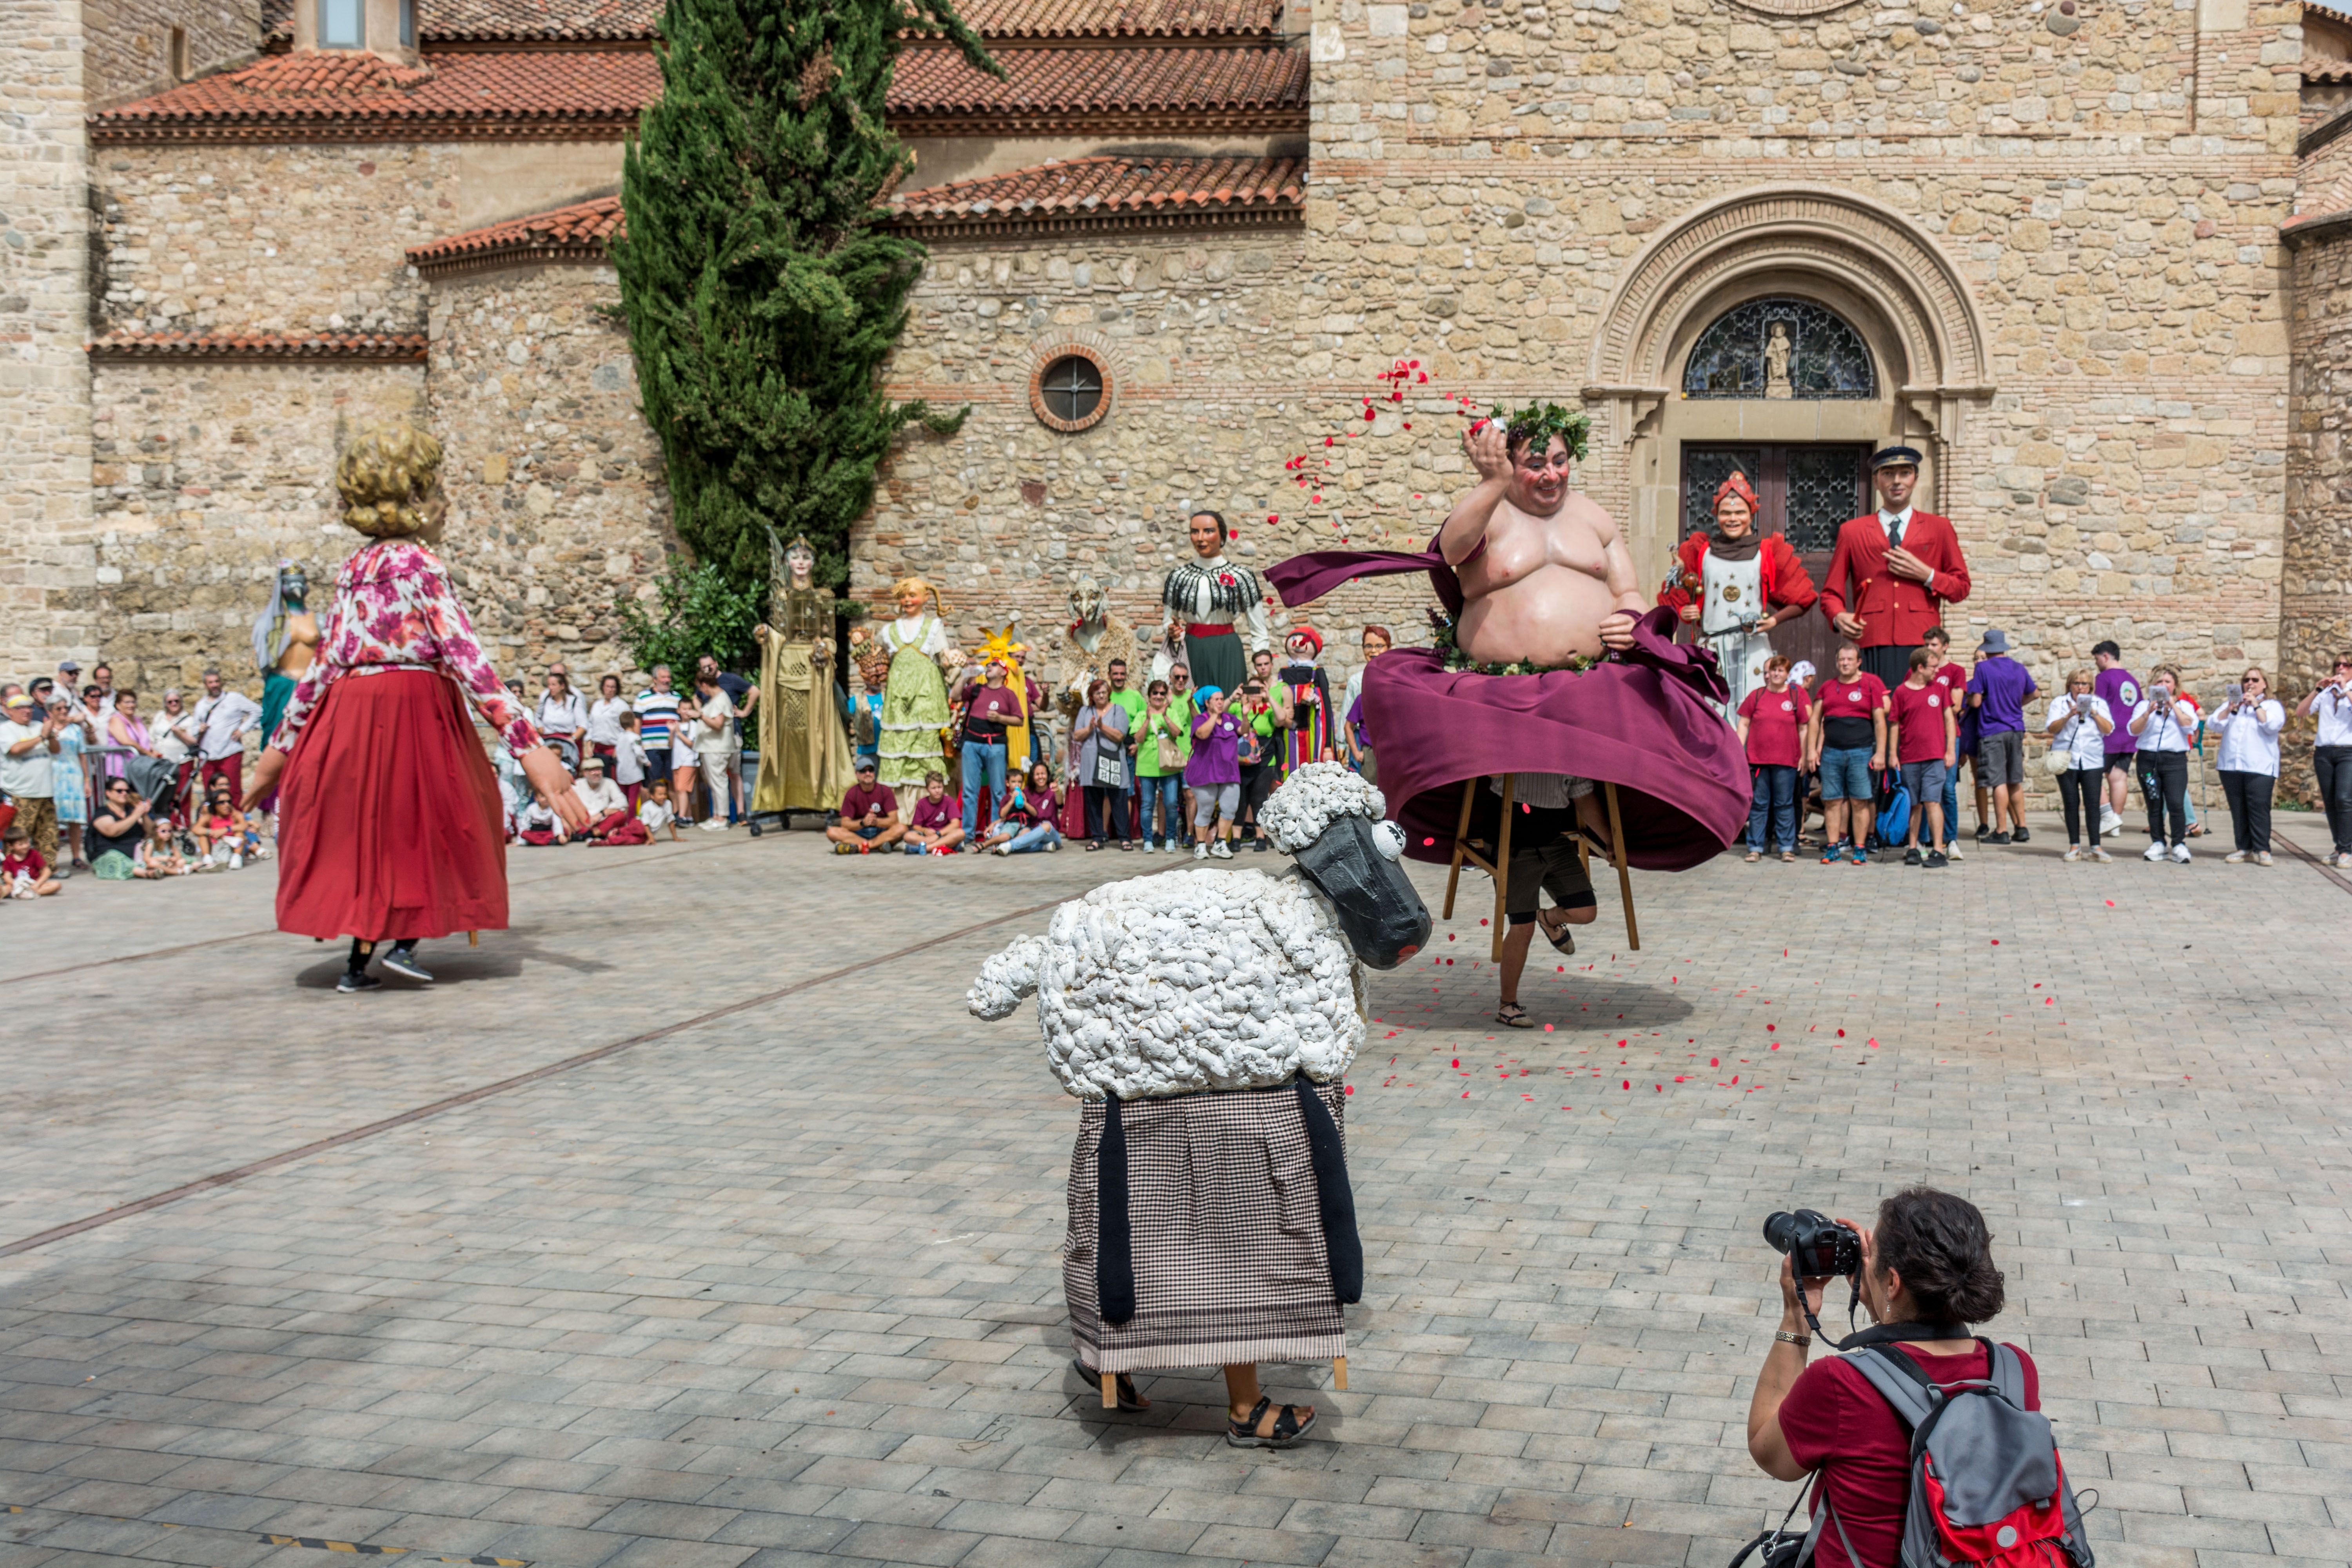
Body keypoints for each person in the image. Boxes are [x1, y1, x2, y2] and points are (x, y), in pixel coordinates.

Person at [1267, 403, 1749, 875]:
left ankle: (1630, 824)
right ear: (1510, 464)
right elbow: (1454, 548)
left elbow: (1629, 591)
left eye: (1559, 461)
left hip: (1589, 683)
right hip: (1499, 689)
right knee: (1392, 682)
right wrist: (1491, 484)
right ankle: (1520, 844)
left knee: (1662, 701)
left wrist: (1629, 616)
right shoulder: (1489, 513)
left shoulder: (1595, 518)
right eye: (1535, 464)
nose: (1551, 474)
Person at [242, 423, 587, 991]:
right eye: (435, 492)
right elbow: (467, 658)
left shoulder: (354, 569)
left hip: (349, 712)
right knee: (433, 821)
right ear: (411, 503)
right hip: (413, 707)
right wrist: (531, 749)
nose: (445, 504)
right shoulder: (423, 567)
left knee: (367, 832)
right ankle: (405, 941)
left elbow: (325, 666)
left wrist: (276, 753)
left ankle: (360, 962)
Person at [1748, 1188, 2035, 1568]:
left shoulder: (1841, 1382)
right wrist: (1883, 1297)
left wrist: (1797, 1313)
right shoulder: (2013, 1371)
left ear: (1895, 1282)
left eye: (1873, 1253)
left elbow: (1770, 1455)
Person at [1659, 470, 1818, 717]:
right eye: (1726, 513)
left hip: (1753, 647)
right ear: (1717, 516)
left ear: (1751, 514)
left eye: (1739, 513)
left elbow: (1803, 598)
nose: (1733, 519)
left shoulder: (1767, 551)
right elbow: (1677, 593)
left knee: (1754, 714)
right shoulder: (1702, 551)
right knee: (1711, 714)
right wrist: (1685, 610)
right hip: (1712, 647)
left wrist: (1775, 620)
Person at [1818, 445, 1973, 690]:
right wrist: (1838, 616)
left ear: (1916, 479)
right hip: (1871, 639)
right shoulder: (1852, 531)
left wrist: (1927, 575)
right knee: (1874, 718)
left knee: (1918, 719)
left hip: (1922, 640)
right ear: (1876, 481)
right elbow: (1830, 594)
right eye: (1888, 474)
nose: (1897, 481)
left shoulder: (1939, 527)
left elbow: (1961, 588)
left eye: (1905, 473)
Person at [752, 538, 858, 818]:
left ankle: (826, 796)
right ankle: (782, 796)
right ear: (787, 562)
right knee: (785, 734)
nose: (801, 562)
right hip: (786, 668)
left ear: (813, 562)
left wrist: (825, 649)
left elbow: (829, 635)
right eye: (795, 557)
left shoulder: (824, 596)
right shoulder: (781, 597)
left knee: (819, 731)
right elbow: (778, 634)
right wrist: (765, 634)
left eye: (806, 557)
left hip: (815, 667)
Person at [1492, 773, 1601, 1027]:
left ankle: (1548, 918)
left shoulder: (1571, 751)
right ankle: (1507, 1005)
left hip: (1553, 842)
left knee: (1585, 912)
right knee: (1522, 927)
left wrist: (1610, 842)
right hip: (1512, 844)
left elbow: (1584, 799)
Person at [858, 575, 956, 797]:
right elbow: (875, 658)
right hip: (899, 703)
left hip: (927, 701)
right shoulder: (889, 631)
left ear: (925, 597)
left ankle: (932, 804)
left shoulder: (934, 627)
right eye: (903, 596)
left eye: (912, 595)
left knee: (927, 750)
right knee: (898, 752)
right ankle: (898, 810)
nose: (907, 600)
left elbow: (945, 657)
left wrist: (955, 659)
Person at [1159, 510, 1271, 699]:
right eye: (1195, 532)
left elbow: (1258, 628)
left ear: (1222, 535)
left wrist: (1262, 662)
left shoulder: (1241, 576)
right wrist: (1172, 630)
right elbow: (1167, 621)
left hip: (1228, 650)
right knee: (1192, 705)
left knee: (1230, 704)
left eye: (1208, 531)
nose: (1201, 538)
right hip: (1191, 648)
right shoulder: (1178, 577)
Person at [1806, 642, 1886, 864]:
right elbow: (1815, 721)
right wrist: (1812, 750)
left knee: (1860, 801)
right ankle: (1833, 847)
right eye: (1842, 659)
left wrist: (1880, 753)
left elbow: (1880, 722)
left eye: (1850, 659)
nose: (1845, 663)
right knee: (1832, 801)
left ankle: (1859, 848)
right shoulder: (1827, 687)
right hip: (1831, 753)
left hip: (1861, 752)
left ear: (1859, 662)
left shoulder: (1870, 686)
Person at [1964, 628, 2037, 845]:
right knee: (2015, 780)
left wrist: (1968, 701)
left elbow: (1976, 702)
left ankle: (2002, 830)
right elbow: (2035, 693)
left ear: (1987, 648)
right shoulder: (2018, 667)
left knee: (1998, 782)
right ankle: (2022, 828)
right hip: (2016, 729)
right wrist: (2017, 705)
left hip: (1992, 730)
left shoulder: (1984, 669)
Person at [1885, 649, 1956, 868]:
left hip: (1935, 756)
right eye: (1934, 667)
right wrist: (1893, 754)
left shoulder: (1940, 690)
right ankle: (1913, 847)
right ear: (1920, 668)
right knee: (1914, 805)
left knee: (1933, 802)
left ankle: (1938, 850)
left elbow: (1949, 721)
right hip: (1909, 757)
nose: (1938, 670)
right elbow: (1895, 724)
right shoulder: (1901, 693)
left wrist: (1950, 750)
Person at [1736, 654, 1809, 863]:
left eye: (1780, 671)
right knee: (1759, 805)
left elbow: (1804, 728)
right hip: (1758, 760)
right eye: (1772, 671)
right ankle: (1755, 848)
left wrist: (1804, 755)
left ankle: (1786, 847)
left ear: (1787, 674)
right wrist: (1739, 751)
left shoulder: (1794, 697)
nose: (1775, 674)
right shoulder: (1756, 696)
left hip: (1787, 761)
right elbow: (1744, 723)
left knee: (1784, 805)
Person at [2211, 666, 2285, 866]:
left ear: (2264, 684)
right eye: (2246, 680)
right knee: (2238, 809)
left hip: (2259, 766)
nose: (2250, 683)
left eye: (2255, 680)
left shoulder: (2272, 706)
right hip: (2231, 765)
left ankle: (2262, 849)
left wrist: (2256, 706)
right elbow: (2214, 724)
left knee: (2258, 808)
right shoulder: (2233, 705)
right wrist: (2229, 709)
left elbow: (2272, 726)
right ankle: (2244, 847)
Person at [2043, 668, 2116, 862]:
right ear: (2070, 685)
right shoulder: (2059, 703)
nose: (2081, 688)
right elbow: (2052, 728)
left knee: (2093, 804)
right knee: (2071, 803)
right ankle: (2074, 845)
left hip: (2092, 760)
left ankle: (2096, 846)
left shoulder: (2100, 703)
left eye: (2085, 684)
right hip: (2068, 760)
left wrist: (2093, 712)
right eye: (2077, 683)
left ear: (2090, 686)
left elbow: (2109, 729)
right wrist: (2068, 715)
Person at [252, 562, 319, 771]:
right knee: (277, 735)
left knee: (314, 737)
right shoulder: (272, 623)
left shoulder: (320, 620)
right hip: (282, 683)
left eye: (300, 582)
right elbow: (263, 655)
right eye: (290, 583)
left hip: (310, 685)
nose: (296, 587)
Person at [2127, 664, 2197, 863]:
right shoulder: (2143, 706)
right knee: (2154, 803)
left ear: (2175, 686)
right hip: (2149, 761)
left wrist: (2173, 706)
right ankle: (2158, 842)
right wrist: (2148, 712)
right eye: (2159, 682)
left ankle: (2178, 844)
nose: (2163, 685)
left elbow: (2190, 726)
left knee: (2176, 803)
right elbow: (2133, 730)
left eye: (2168, 682)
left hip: (2175, 761)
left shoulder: (2184, 706)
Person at [952, 659, 1024, 840]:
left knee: (998, 791)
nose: (989, 667)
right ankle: (968, 834)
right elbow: (954, 695)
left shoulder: (1008, 694)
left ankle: (994, 832)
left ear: (1003, 672)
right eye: (989, 665)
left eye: (994, 665)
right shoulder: (977, 690)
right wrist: (965, 676)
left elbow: (1019, 720)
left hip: (996, 745)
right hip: (972, 744)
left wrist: (1000, 718)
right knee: (969, 791)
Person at [2299, 652, 2352, 867]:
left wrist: (2346, 689)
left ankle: (2347, 850)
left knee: (2344, 798)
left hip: (2348, 751)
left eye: (2346, 665)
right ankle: (2340, 847)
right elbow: (2301, 712)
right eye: (2337, 664)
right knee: (2330, 802)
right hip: (2324, 751)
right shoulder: (2327, 692)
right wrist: (2317, 690)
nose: (2340, 668)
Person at [0, 691, 62, 873]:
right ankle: (14, 872)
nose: (26, 711)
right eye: (20, 708)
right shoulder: (5, 729)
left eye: (28, 707)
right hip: (21, 793)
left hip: (45, 791)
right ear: (9, 711)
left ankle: (48, 870)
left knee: (49, 835)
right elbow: (15, 749)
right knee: (18, 838)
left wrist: (50, 736)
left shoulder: (38, 726)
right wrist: (41, 737)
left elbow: (56, 750)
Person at [1920, 628, 1967, 860]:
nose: (1930, 649)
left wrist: (1927, 704)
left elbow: (1957, 705)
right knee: (1923, 790)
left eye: (1934, 645)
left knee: (1947, 789)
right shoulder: (1918, 671)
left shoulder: (1956, 671)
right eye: (1926, 645)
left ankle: (1951, 840)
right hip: (1923, 737)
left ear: (1945, 646)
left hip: (1949, 736)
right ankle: (1923, 840)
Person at [1072, 677, 1133, 849]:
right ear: (1092, 695)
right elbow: (1077, 736)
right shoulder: (1085, 711)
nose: (1101, 695)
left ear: (1109, 694)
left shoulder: (1118, 711)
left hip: (1113, 761)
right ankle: (1097, 837)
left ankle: (1124, 838)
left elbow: (1120, 736)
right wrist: (1090, 729)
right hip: (1091, 762)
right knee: (1094, 801)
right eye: (1097, 693)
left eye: (1104, 692)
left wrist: (1102, 727)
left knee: (1119, 801)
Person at [1132, 678, 1190, 852]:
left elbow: (1178, 733)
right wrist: (1148, 719)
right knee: (1148, 804)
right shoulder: (1142, 715)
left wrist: (1165, 715)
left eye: (1162, 693)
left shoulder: (1171, 713)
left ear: (1166, 696)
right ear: (1149, 696)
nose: (1158, 696)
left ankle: (1170, 838)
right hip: (1147, 766)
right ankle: (1148, 840)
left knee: (1171, 803)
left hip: (1169, 766)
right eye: (1155, 693)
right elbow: (1138, 738)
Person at [191, 668, 260, 812]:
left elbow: (258, 711)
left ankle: (237, 821)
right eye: (211, 682)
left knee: (233, 789)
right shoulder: (201, 705)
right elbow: (194, 728)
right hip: (208, 754)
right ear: (206, 685)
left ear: (221, 682)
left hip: (230, 750)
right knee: (210, 791)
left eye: (217, 681)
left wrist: (243, 729)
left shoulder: (234, 698)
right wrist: (199, 729)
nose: (215, 685)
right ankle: (215, 821)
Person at [2090, 640, 2140, 838]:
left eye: (2097, 659)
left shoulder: (2103, 678)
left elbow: (2097, 704)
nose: (2096, 664)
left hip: (2109, 736)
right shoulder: (2132, 680)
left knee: (2091, 774)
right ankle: (2116, 823)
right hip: (2129, 736)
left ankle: (2108, 815)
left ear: (2105, 656)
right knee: (2118, 778)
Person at [1187, 685, 1243, 859]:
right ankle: (1201, 845)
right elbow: (1203, 735)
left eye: (1222, 699)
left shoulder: (1230, 718)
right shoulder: (1200, 719)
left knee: (1230, 809)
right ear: (1207, 703)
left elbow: (1245, 731)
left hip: (1229, 772)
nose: (1220, 702)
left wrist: (1247, 714)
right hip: (1204, 773)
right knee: (1206, 809)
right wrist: (1213, 716)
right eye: (1216, 700)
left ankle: (1220, 844)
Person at [1272, 626, 1338, 771]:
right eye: (1294, 640)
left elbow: (1326, 704)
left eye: (1304, 641)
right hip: (1290, 727)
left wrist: (1327, 744)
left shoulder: (1317, 672)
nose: (1298, 645)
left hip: (1315, 725)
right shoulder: (1283, 672)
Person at [690, 670, 739, 831]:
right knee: (714, 782)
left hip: (717, 749)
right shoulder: (715, 700)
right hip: (711, 748)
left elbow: (718, 725)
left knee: (719, 782)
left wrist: (699, 716)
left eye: (700, 688)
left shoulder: (721, 699)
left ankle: (722, 818)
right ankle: (717, 816)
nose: (701, 691)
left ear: (705, 685)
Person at [1342, 626, 1391, 783]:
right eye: (1368, 646)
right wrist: (1345, 747)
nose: (1373, 651)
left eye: (1379, 646)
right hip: (1366, 744)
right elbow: (1346, 717)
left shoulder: (1395, 681)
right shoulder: (1357, 682)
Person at [982, 761, 1063, 854]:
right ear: (1032, 777)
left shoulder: (1053, 790)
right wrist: (994, 823)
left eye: (1043, 774)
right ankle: (1044, 847)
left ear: (1048, 775)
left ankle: (1009, 845)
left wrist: (1058, 791)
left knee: (1046, 826)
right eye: (1037, 774)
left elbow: (1060, 802)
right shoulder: (1026, 792)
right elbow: (1014, 812)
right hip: (1032, 833)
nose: (1041, 777)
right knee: (1024, 838)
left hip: (1051, 833)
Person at [49, 696, 91, 870]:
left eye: (65, 708)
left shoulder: (75, 730)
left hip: (73, 774)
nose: (64, 711)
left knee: (75, 820)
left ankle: (76, 856)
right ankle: (52, 858)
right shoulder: (46, 729)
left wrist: (87, 779)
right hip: (54, 774)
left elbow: (82, 754)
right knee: (52, 819)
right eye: (59, 709)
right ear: (50, 711)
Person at [827, 760, 904, 853]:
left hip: (881, 831)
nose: (868, 774)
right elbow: (845, 824)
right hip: (859, 832)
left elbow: (894, 820)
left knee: (902, 828)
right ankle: (878, 845)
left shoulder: (885, 791)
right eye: (863, 771)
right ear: (857, 775)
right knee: (832, 832)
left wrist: (876, 822)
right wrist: (863, 823)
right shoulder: (852, 793)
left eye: (871, 770)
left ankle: (863, 847)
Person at [88, 776, 156, 878]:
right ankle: (144, 873)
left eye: (127, 791)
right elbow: (112, 831)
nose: (124, 794)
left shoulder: (132, 811)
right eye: (119, 791)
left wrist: (144, 815)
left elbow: (151, 832)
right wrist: (136, 815)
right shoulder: (102, 812)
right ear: (108, 793)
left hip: (136, 855)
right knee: (115, 860)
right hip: (109, 856)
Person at [152, 689, 201, 828]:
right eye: (170, 702)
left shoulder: (189, 720)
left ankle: (181, 822)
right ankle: (165, 822)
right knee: (164, 792)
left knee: (182, 793)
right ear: (166, 704)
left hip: (182, 761)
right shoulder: (160, 717)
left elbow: (194, 741)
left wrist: (179, 733)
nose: (174, 704)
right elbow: (153, 734)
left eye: (176, 701)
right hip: (163, 761)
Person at [633, 666, 682, 789]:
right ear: (655, 679)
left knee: (673, 781)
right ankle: (651, 808)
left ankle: (673, 809)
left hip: (672, 747)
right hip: (651, 747)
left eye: (669, 677)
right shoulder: (643, 697)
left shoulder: (677, 698)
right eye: (663, 677)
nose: (667, 680)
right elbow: (637, 722)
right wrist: (638, 744)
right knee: (653, 782)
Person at [570, 753, 632, 841]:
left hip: (603, 819)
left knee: (620, 815)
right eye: (593, 771)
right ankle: (597, 833)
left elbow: (623, 802)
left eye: (599, 770)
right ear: (585, 773)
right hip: (584, 820)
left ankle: (593, 834)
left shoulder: (609, 783)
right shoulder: (577, 785)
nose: (597, 773)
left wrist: (603, 813)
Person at [534, 666, 588, 766]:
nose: (550, 688)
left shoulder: (574, 700)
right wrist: (540, 728)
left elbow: (583, 725)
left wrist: (572, 739)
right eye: (549, 685)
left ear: (562, 686)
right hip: (549, 741)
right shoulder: (546, 699)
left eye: (554, 685)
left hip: (567, 743)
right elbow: (538, 717)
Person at [905, 770, 966, 855]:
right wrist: (925, 830)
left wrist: (938, 835)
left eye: (940, 787)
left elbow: (956, 824)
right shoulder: (922, 803)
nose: (937, 791)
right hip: (927, 837)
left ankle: (925, 849)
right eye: (933, 788)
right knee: (908, 836)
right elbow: (916, 826)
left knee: (961, 833)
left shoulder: (949, 801)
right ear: (927, 789)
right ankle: (949, 845)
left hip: (943, 835)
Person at [670, 693, 704, 824]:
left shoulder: (695, 725)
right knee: (681, 791)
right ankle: (689, 818)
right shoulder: (677, 725)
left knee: (682, 789)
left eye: (689, 709)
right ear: (678, 710)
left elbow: (693, 744)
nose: (686, 712)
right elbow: (671, 745)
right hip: (677, 762)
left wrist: (678, 733)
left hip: (689, 761)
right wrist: (673, 732)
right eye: (684, 709)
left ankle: (682, 817)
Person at [586, 673, 631, 771]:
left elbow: (626, 729)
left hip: (613, 748)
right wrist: (589, 745)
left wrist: (619, 749)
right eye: (608, 687)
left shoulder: (621, 705)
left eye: (613, 687)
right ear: (603, 687)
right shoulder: (597, 705)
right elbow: (591, 726)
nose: (610, 690)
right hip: (598, 748)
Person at [2, 822, 60, 898]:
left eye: (27, 842)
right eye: (21, 844)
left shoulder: (34, 854)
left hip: (34, 883)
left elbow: (47, 871)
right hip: (18, 885)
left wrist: (38, 884)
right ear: (10, 846)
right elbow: (7, 877)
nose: (25, 846)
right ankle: (23, 893)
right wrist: (15, 883)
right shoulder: (9, 859)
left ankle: (28, 893)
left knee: (56, 885)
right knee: (5, 888)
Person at [637, 777, 682, 842]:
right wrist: (651, 838)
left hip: (647, 835)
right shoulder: (646, 807)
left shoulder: (668, 804)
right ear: (652, 796)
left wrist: (675, 838)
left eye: (665, 794)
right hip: (638, 829)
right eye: (660, 794)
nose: (663, 797)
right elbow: (645, 825)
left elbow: (671, 822)